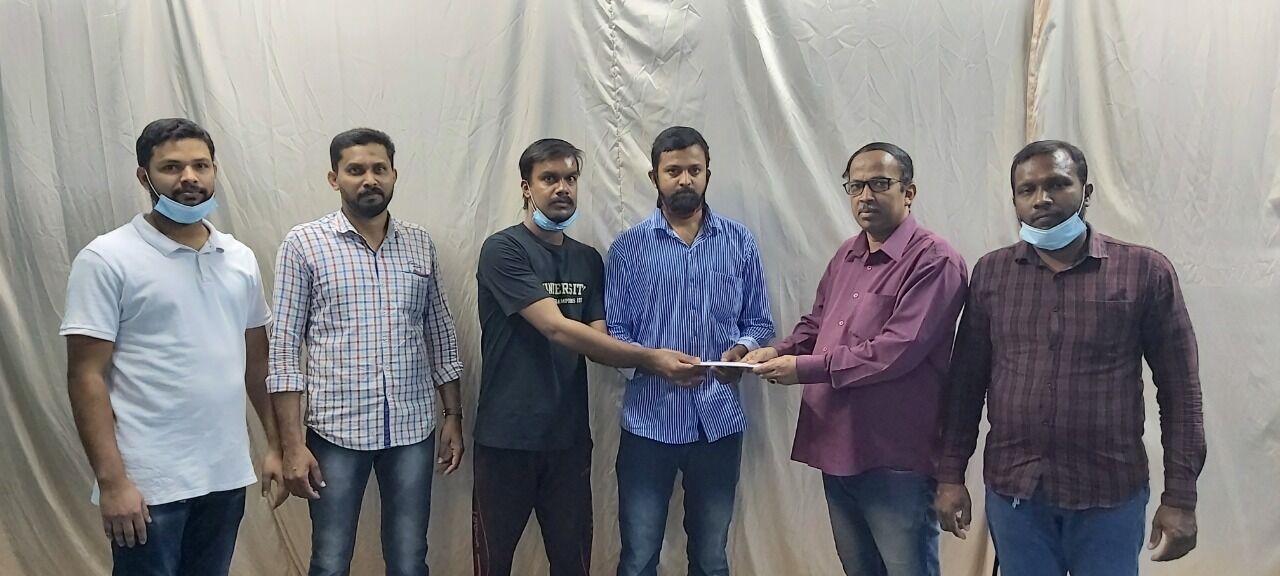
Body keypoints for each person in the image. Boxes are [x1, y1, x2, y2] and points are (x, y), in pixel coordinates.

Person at [934, 140, 1205, 575]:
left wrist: (1181, 498)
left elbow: (1181, 394)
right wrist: (950, 476)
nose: (1041, 198)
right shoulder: (992, 274)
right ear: (1015, 201)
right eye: (1027, 190)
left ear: (1086, 192)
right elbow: (966, 384)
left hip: (1109, 494)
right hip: (1016, 492)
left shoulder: (1144, 272)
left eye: (1057, 184)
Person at [61, 117, 285, 576]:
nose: (189, 177)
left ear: (214, 171)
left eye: (201, 165)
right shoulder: (107, 258)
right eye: (171, 167)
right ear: (144, 176)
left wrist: (275, 446)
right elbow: (85, 375)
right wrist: (113, 482)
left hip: (224, 475)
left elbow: (257, 364)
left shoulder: (239, 258)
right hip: (147, 483)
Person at [472, 138, 703, 576]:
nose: (562, 188)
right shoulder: (503, 250)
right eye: (549, 178)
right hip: (506, 439)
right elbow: (556, 328)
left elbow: (599, 345)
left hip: (569, 439)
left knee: (573, 564)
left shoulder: (588, 259)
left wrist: (658, 350)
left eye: (571, 178)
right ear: (526, 187)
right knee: (493, 564)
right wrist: (652, 358)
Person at [749, 142, 967, 576]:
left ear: (909, 192)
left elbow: (896, 350)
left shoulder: (935, 261)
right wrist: (779, 350)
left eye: (879, 184)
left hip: (894, 454)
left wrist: (803, 369)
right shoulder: (847, 254)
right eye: (855, 186)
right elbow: (816, 325)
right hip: (836, 445)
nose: (865, 196)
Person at [268, 128, 464, 576]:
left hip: (412, 429)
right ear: (334, 178)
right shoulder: (304, 244)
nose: (369, 179)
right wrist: (292, 445)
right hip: (335, 432)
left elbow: (440, 333)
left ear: (394, 174)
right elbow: (283, 352)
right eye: (356, 170)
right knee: (330, 560)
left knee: (410, 559)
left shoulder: (419, 243)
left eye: (379, 169)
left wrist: (453, 416)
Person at [605, 126, 775, 576]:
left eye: (694, 170)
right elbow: (615, 333)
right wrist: (651, 362)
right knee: (639, 557)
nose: (685, 179)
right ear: (654, 176)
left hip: (717, 423)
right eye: (673, 170)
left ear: (707, 174)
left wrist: (741, 351)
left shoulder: (739, 242)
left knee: (711, 557)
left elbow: (759, 322)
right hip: (648, 424)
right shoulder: (627, 249)